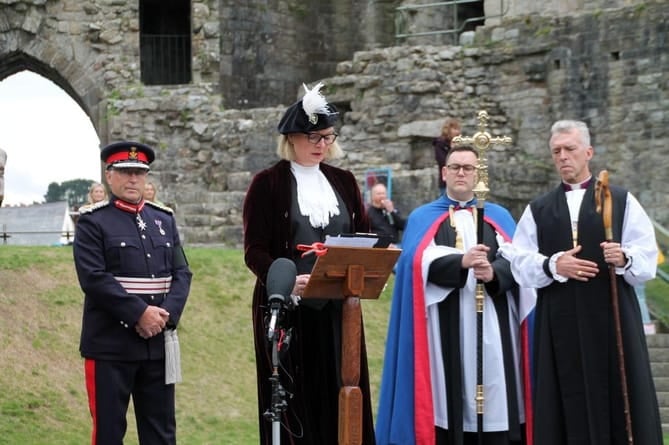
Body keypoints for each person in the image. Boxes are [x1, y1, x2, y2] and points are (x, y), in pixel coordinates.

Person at [500, 120, 662, 444]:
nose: (563, 156)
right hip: (559, 321)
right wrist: (552, 263)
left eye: (570, 149)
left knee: (621, 396)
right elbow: (518, 261)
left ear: (588, 152)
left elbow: (648, 257)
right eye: (556, 151)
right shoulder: (539, 209)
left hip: (612, 319)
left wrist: (624, 257)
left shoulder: (620, 200)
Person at [243, 82, 373, 445]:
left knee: (343, 391)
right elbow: (255, 250)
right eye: (313, 137)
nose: (321, 145)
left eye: (327, 137)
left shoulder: (344, 182)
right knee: (293, 400)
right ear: (292, 138)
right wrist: (284, 283)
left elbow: (364, 238)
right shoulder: (267, 184)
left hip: (340, 307)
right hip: (289, 308)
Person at [376, 144, 526, 445]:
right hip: (446, 327)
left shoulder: (499, 215)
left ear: (478, 174)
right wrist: (461, 262)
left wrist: (495, 273)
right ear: (444, 173)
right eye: (455, 167)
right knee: (449, 395)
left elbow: (522, 262)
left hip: (496, 325)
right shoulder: (423, 217)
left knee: (497, 388)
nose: (461, 173)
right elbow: (413, 263)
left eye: (468, 168)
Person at [73, 141, 192, 445]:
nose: (132, 179)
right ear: (109, 175)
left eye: (139, 172)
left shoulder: (163, 219)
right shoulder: (92, 221)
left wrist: (165, 317)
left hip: (157, 346)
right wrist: (140, 313)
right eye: (125, 172)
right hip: (110, 346)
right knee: (109, 434)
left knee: (161, 434)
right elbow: (94, 278)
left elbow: (182, 273)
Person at [367, 182, 406, 246]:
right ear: (372, 196)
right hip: (378, 248)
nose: (382, 196)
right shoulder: (368, 213)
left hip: (395, 246)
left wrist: (392, 211)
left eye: (383, 193)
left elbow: (402, 226)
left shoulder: (392, 210)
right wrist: (385, 245)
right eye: (379, 194)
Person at [433, 117, 461, 196]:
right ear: (448, 130)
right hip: (446, 183)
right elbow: (443, 162)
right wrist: (452, 149)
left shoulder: (460, 143)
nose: (457, 132)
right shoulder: (440, 144)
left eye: (458, 129)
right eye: (455, 129)